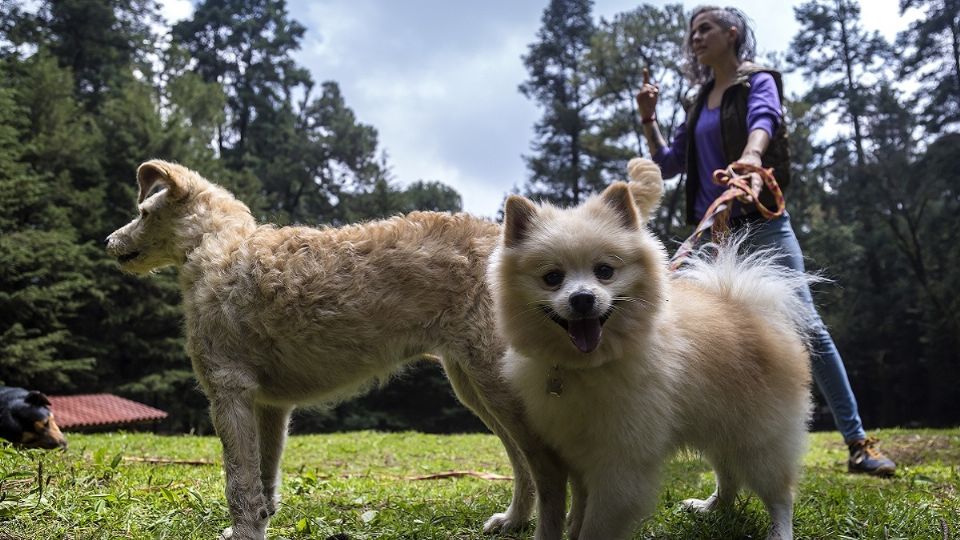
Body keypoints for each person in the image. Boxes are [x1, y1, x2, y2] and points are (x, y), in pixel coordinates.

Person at [635, 5, 896, 476]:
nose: (695, 38)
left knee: (808, 328)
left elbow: (764, 119)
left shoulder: (757, 80)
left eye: (705, 28)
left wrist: (751, 161)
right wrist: (649, 118)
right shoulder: (696, 103)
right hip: (713, 232)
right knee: (713, 337)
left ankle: (859, 443)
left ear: (732, 34)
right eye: (692, 32)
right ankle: (726, 452)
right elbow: (669, 163)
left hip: (761, 222)